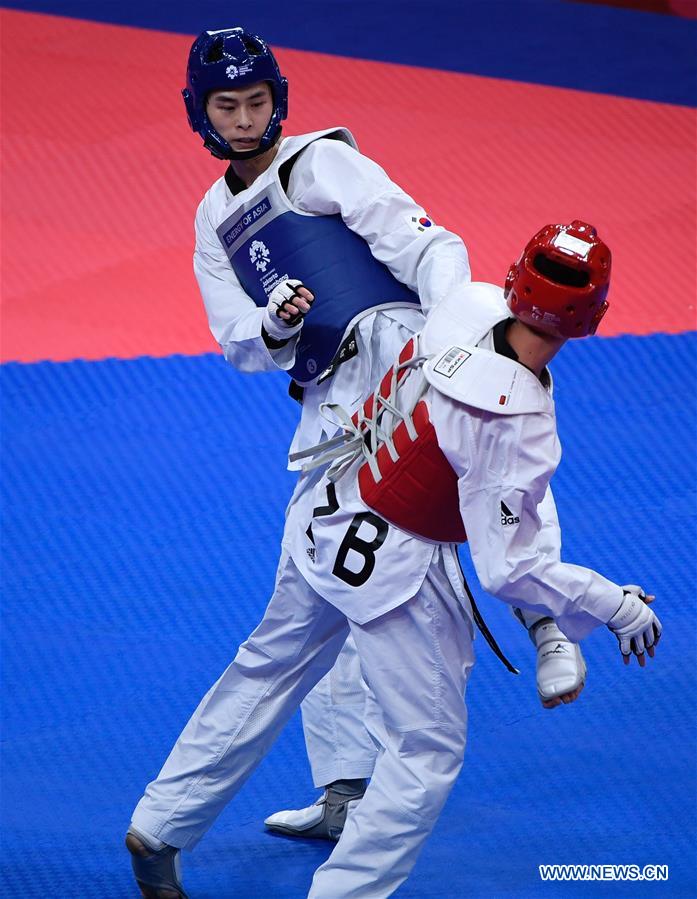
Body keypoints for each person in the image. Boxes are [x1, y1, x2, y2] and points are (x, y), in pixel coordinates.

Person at [135, 25, 585, 848]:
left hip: (401, 349)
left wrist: (443, 338)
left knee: (489, 463)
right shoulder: (212, 217)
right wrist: (271, 321)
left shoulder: (320, 162)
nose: (244, 118)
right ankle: (344, 787)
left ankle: (547, 623)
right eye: (226, 105)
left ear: (279, 99)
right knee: (320, 586)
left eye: (257, 101)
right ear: (199, 113)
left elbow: (430, 243)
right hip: (327, 408)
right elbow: (234, 337)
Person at [125, 220, 661, 898]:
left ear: (511, 279)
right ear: (592, 318)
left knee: (265, 665)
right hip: (396, 573)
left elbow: (432, 259)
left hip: (327, 508)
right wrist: (610, 604)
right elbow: (505, 569)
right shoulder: (518, 423)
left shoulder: (463, 303)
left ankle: (160, 821)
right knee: (425, 751)